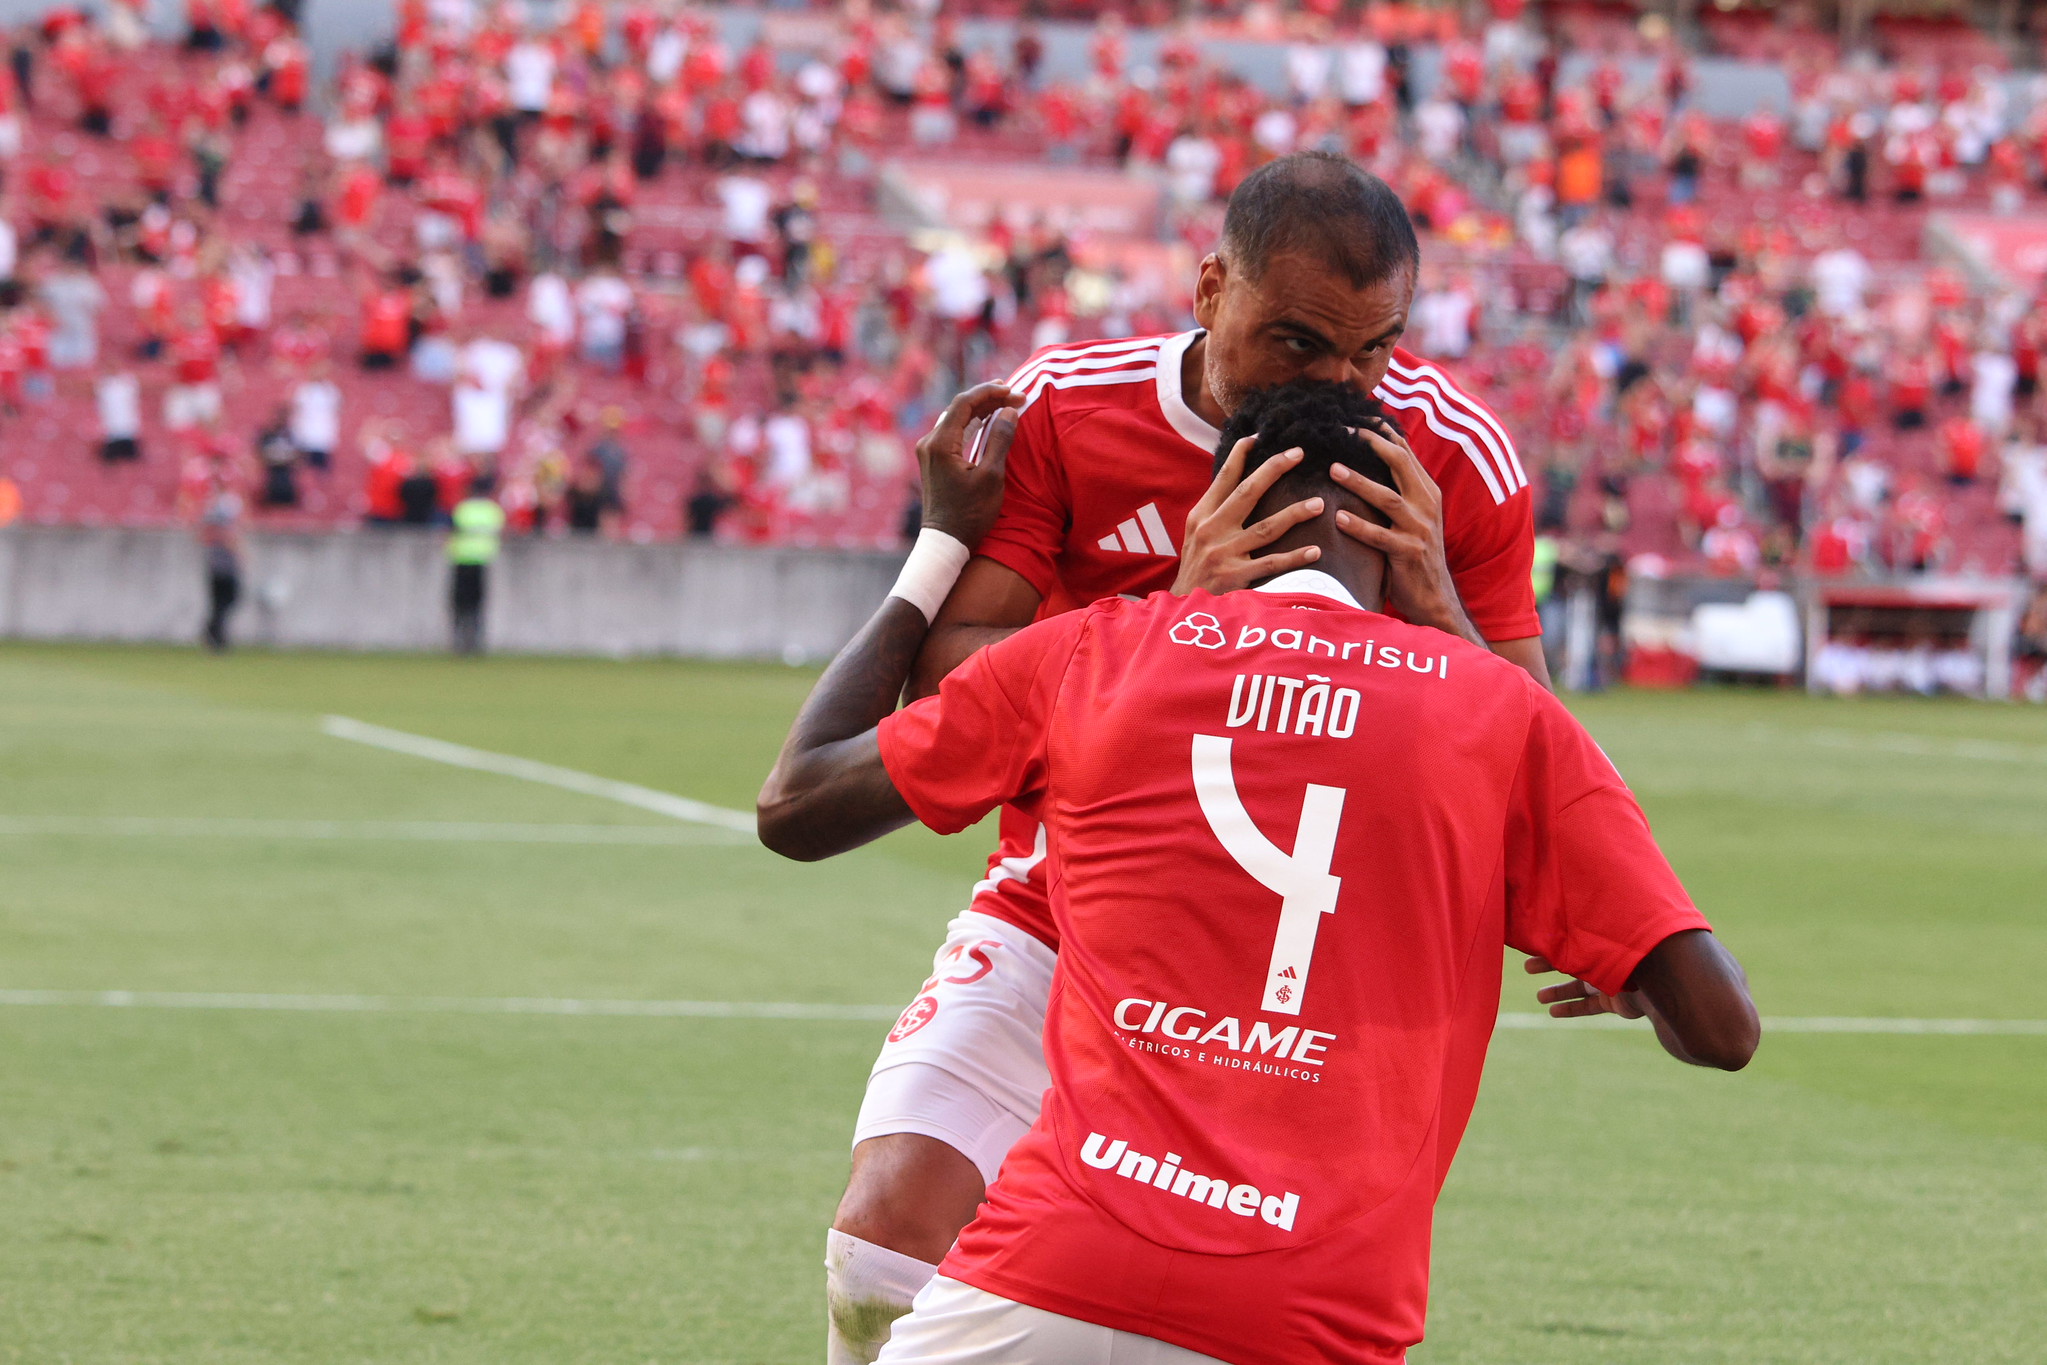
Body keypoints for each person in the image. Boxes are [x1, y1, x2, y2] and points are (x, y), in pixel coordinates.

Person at [758, 379, 1758, 1365]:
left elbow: (797, 807)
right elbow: (1720, 1028)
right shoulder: (1501, 713)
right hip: (1317, 1317)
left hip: (1056, 1267)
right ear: (1409, 533)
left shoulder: (1098, 653)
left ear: (1216, 506)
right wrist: (1636, 981)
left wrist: (940, 544)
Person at [820, 151, 1548, 1365]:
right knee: (881, 1243)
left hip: (1297, 952)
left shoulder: (1451, 453)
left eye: (1375, 350)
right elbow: (952, 680)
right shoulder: (1067, 408)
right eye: (1298, 343)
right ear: (1210, 290)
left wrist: (1441, 611)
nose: (1344, 382)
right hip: (1068, 898)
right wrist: (1182, 615)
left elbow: (1522, 732)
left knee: (1211, 1294)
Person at [448, 476, 504, 655]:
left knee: (460, 602)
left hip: (462, 558)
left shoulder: (463, 509)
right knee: (477, 603)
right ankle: (475, 639)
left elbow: (453, 529)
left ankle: (459, 639)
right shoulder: (492, 510)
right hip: (482, 559)